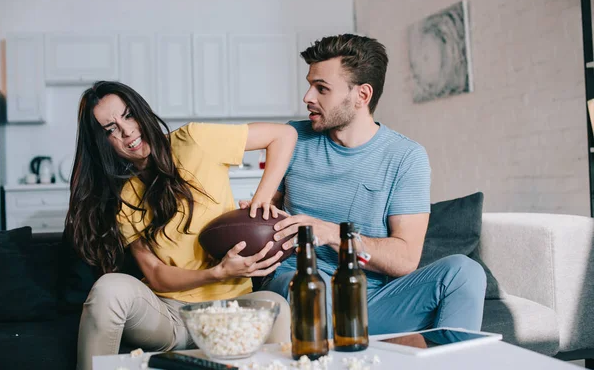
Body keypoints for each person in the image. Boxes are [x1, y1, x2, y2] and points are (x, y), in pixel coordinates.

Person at [248, 34, 486, 335]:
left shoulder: (405, 157)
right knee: (304, 287)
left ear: (362, 95)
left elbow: (404, 259)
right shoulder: (291, 138)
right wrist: (254, 218)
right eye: (310, 85)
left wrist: (333, 234)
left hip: (374, 299)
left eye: (322, 88)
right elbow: (266, 213)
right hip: (302, 284)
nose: (308, 97)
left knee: (465, 273)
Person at [66, 81, 297, 370]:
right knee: (109, 288)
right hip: (169, 317)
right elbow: (157, 274)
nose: (127, 132)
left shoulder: (195, 140)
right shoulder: (125, 197)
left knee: (276, 307)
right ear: (102, 142)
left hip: (231, 310)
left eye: (128, 115)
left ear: (141, 111)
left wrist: (259, 202)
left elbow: (284, 135)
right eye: (110, 129)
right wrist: (216, 273)